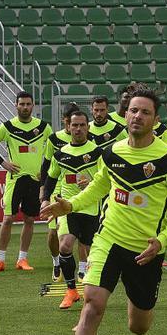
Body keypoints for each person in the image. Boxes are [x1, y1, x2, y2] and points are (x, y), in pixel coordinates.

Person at [40, 90, 167, 335]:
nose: (137, 116)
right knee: (92, 307)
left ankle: (135, 301)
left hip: (146, 252)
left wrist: (163, 241)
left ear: (154, 119)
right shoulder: (111, 153)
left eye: (144, 112)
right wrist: (69, 204)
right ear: (125, 115)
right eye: (133, 111)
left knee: (139, 327)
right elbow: (97, 187)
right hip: (108, 241)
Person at [0, 91, 52, 272]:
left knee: (29, 219)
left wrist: (44, 174)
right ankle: (0, 260)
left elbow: (53, 151)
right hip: (15, 179)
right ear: (16, 105)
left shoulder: (44, 127)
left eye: (28, 104)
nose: (25, 107)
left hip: (35, 181)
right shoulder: (7, 127)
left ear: (33, 105)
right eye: (22, 104)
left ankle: (22, 259)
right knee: (8, 219)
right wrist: (3, 163)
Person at [41, 111, 102, 309]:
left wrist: (91, 183)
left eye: (82, 125)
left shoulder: (98, 153)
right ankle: (71, 291)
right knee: (65, 246)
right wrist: (44, 199)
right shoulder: (60, 154)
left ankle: (91, 288)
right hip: (66, 207)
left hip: (91, 207)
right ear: (68, 127)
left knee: (89, 249)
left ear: (88, 127)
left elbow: (107, 181)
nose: (78, 129)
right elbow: (51, 178)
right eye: (74, 125)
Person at [40, 102, 80, 282]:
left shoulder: (85, 138)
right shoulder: (54, 139)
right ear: (65, 121)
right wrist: (43, 192)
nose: (75, 127)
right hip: (57, 190)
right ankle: (56, 263)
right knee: (53, 231)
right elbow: (46, 166)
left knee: (81, 232)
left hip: (78, 191)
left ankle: (83, 269)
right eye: (70, 122)